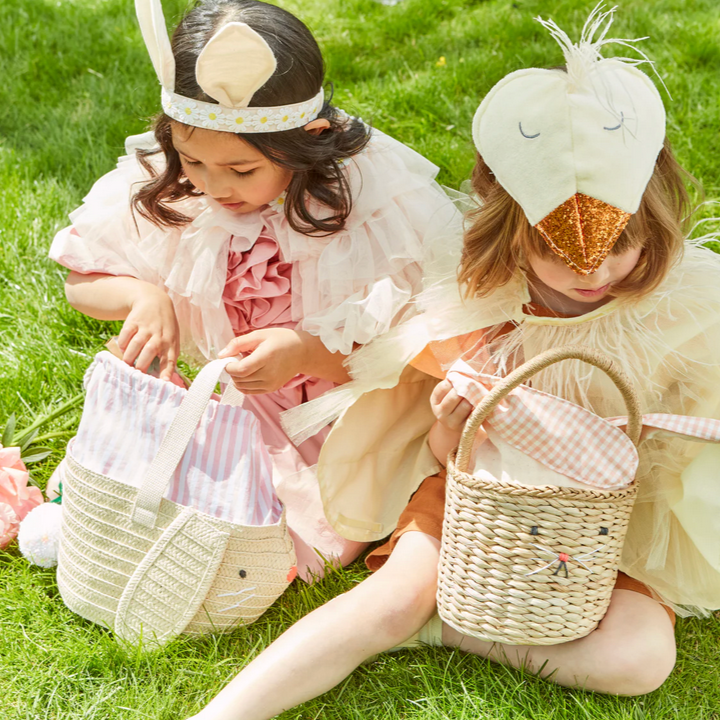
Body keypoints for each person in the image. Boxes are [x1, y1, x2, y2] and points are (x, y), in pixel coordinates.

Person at [182, 8, 720, 717]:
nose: (593, 273)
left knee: (639, 658)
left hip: (611, 529)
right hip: (479, 502)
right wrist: (453, 427)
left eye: (622, 245)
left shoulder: (689, 311)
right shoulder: (484, 305)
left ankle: (449, 626)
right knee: (391, 598)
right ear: (510, 232)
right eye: (553, 253)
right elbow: (439, 450)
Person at [48, 0, 459, 581]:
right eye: (192, 160)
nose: (214, 186)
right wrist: (144, 298)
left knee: (285, 540)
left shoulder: (370, 202)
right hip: (223, 400)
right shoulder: (177, 185)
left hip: (338, 416)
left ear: (306, 140)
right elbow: (81, 281)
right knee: (137, 497)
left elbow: (424, 353)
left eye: (242, 171)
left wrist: (306, 353)